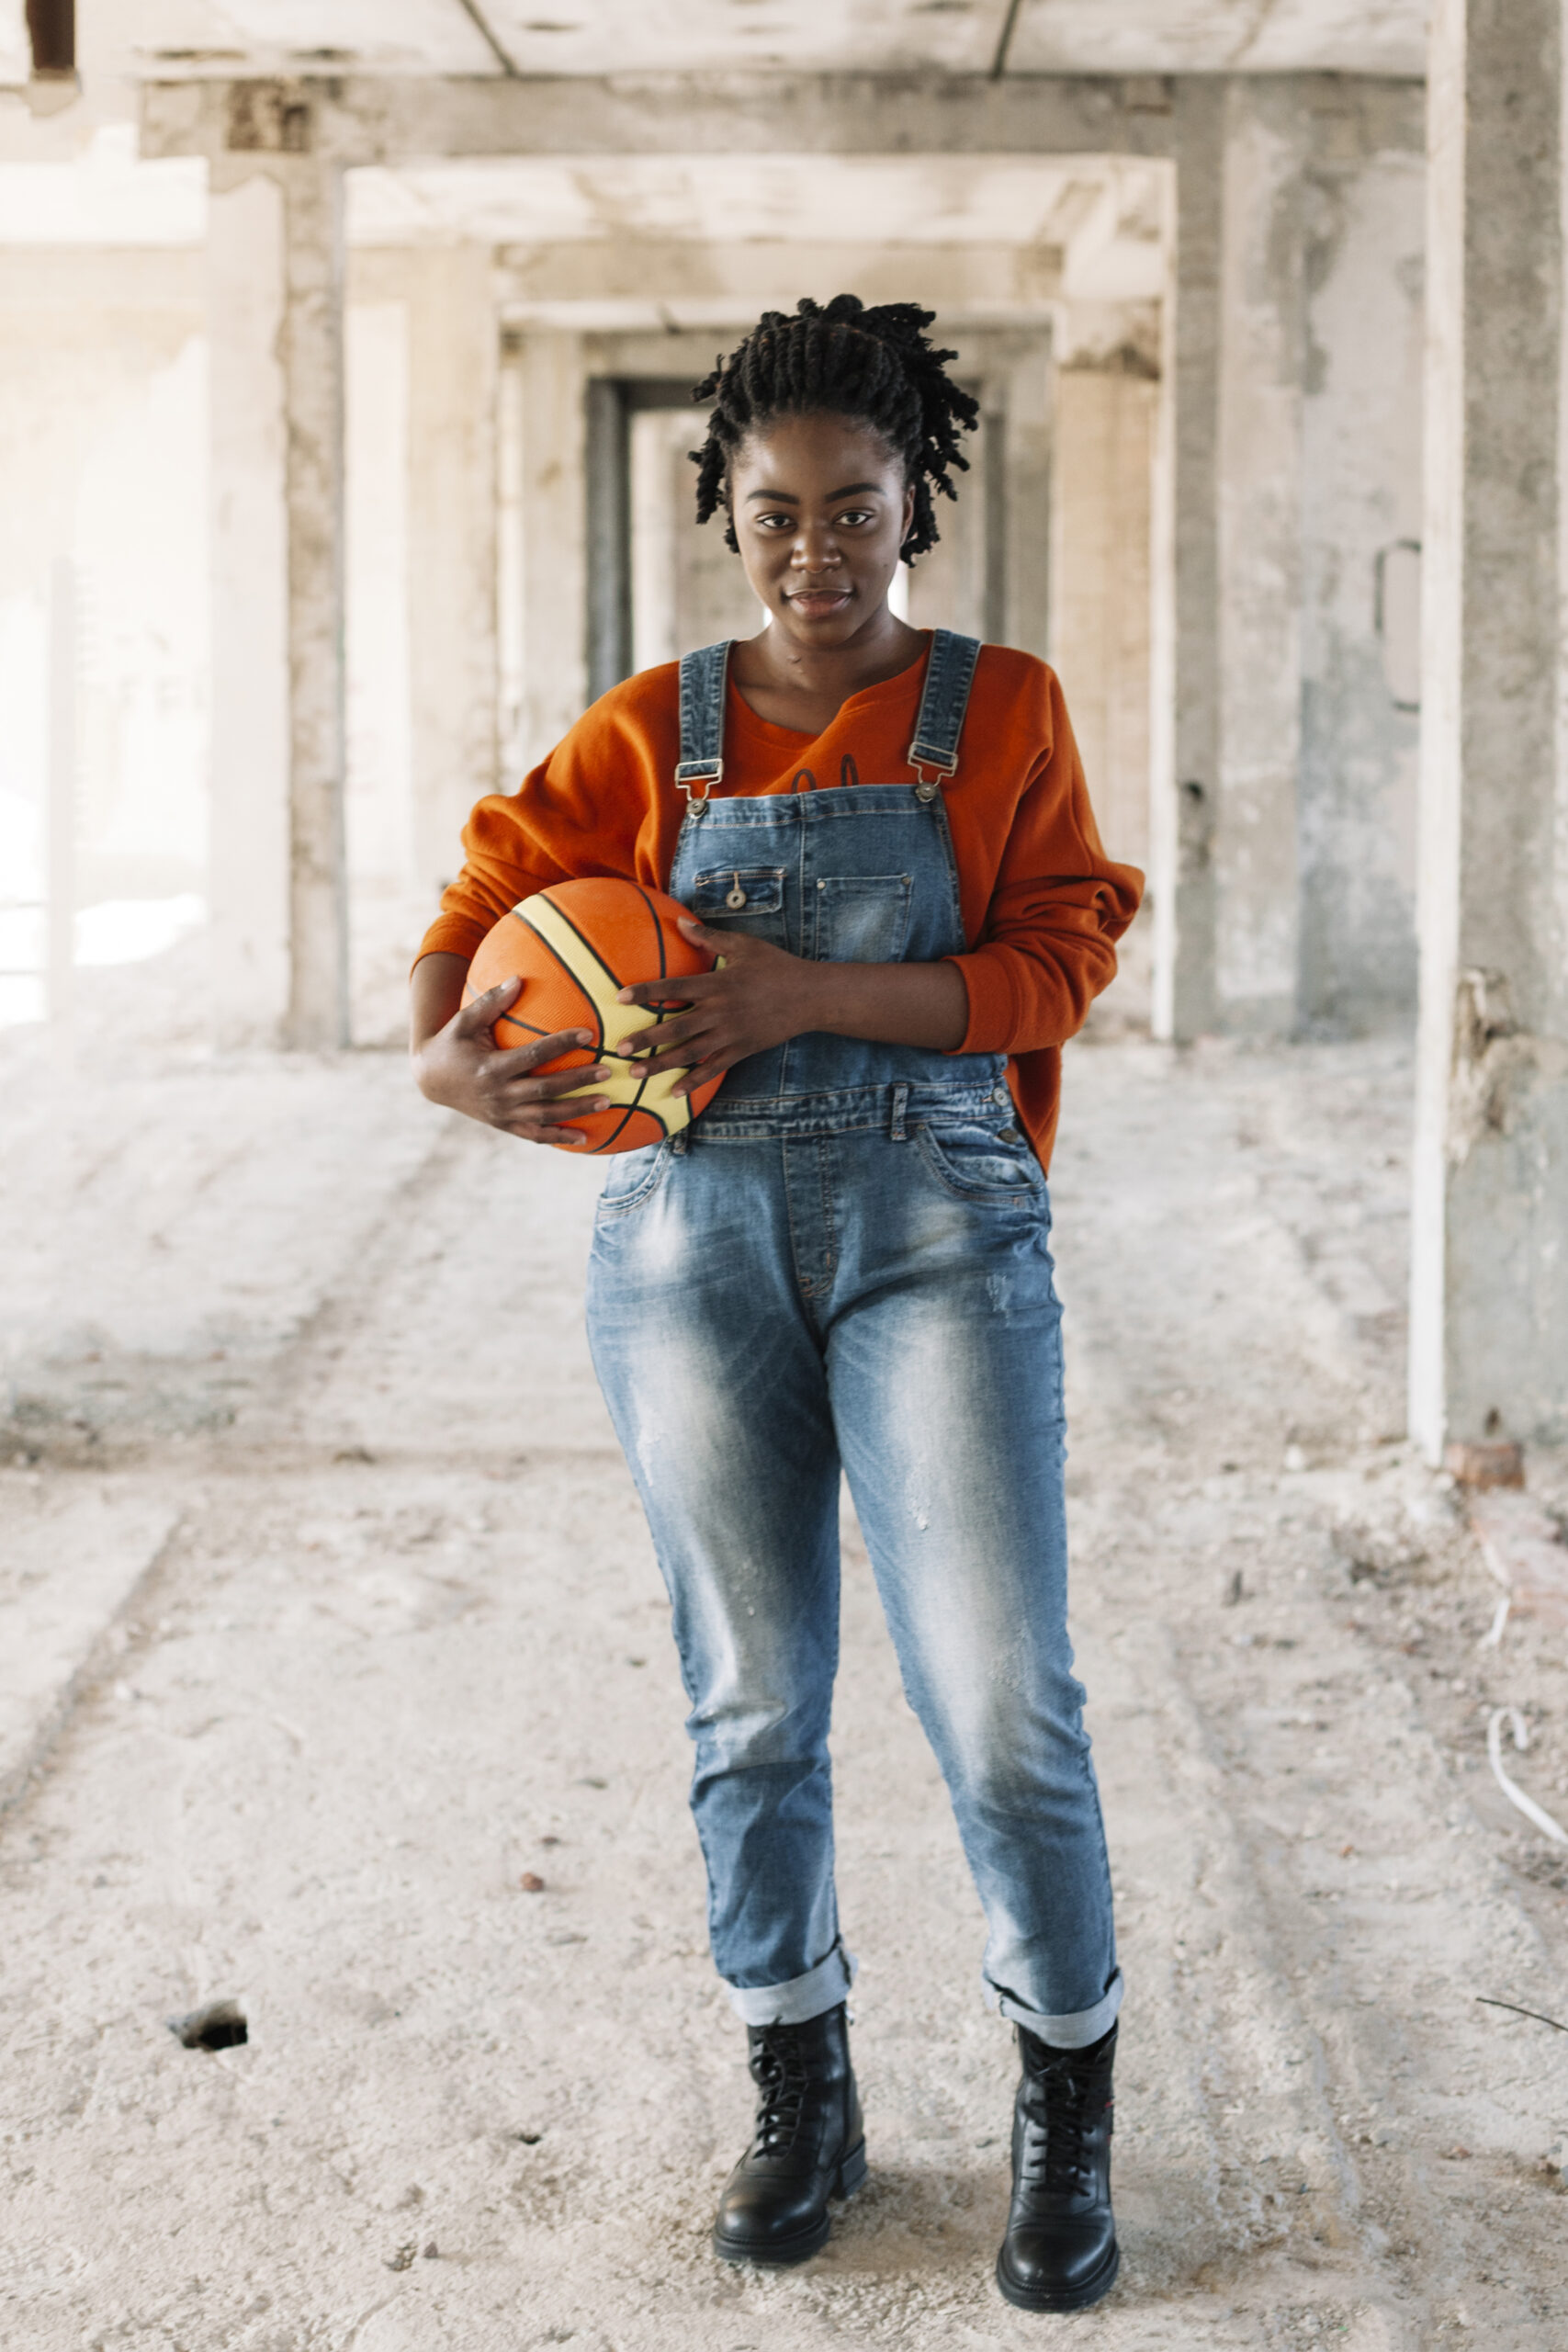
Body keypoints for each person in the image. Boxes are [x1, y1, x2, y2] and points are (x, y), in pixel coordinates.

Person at [410, 295, 1143, 2313]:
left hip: (938, 1235)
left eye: (854, 510)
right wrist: (442, 1060)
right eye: (772, 516)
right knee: (749, 1703)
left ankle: (1063, 2096)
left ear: (919, 503)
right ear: (723, 516)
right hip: (687, 1249)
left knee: (1000, 1697)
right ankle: (797, 2083)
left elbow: (1059, 961)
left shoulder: (1000, 713)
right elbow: (485, 903)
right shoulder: (658, 726)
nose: (816, 553)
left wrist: (803, 989)